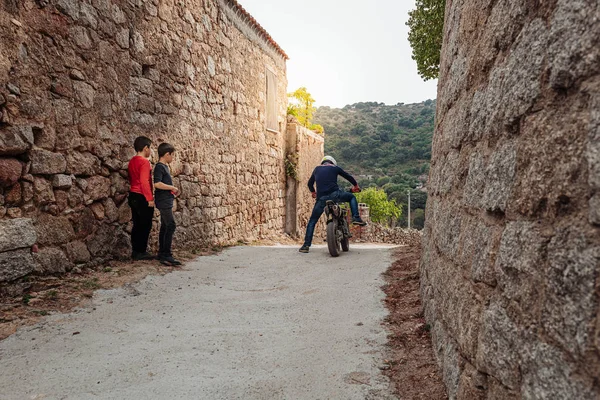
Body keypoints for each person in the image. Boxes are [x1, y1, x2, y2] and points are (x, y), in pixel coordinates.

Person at [299, 156, 366, 253]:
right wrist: (355, 185)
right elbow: (348, 177)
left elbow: (310, 184)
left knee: (312, 221)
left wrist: (313, 192)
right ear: (332, 163)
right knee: (351, 197)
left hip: (321, 199)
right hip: (335, 195)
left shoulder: (317, 169)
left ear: (323, 163)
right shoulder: (335, 168)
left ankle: (305, 246)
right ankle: (356, 217)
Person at [153, 143, 182, 266]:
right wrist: (172, 187)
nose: (173, 158)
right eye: (172, 155)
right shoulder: (160, 167)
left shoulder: (164, 167)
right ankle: (166, 254)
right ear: (166, 154)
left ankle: (162, 253)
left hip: (166, 200)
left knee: (165, 226)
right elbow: (157, 183)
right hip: (163, 202)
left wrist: (172, 191)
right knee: (171, 225)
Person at [128, 136, 155, 260]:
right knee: (145, 224)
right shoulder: (145, 162)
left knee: (136, 224)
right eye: (150, 148)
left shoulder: (132, 161)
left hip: (133, 194)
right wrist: (149, 198)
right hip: (142, 195)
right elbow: (144, 181)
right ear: (145, 148)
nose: (151, 151)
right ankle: (141, 251)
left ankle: (135, 251)